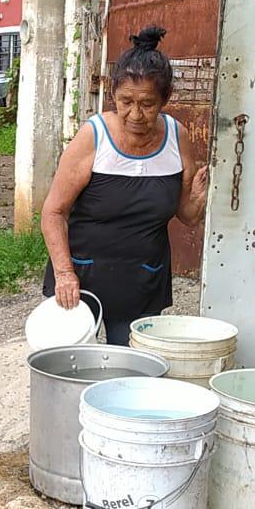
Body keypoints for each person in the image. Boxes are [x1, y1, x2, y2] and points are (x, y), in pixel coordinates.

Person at [40, 26, 209, 345]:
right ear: (112, 95)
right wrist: (64, 274)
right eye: (125, 102)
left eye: (146, 103)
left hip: (142, 280)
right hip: (81, 279)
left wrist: (197, 201)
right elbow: (54, 212)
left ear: (165, 99)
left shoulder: (177, 138)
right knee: (69, 370)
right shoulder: (94, 137)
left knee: (130, 376)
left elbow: (185, 215)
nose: (135, 114)